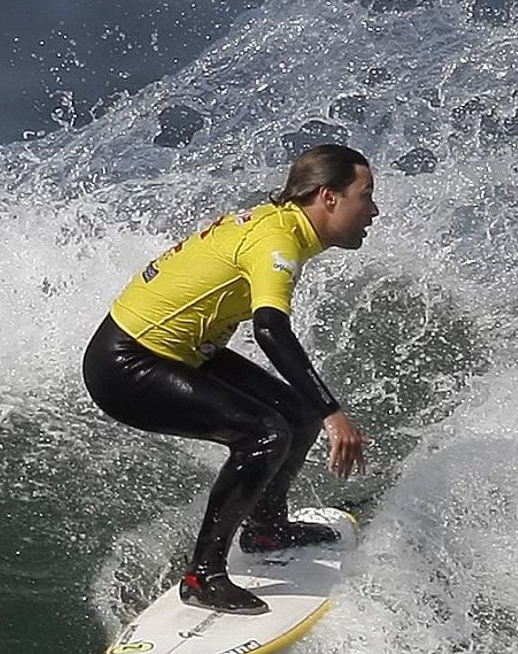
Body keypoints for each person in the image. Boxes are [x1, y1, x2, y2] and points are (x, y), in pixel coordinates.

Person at [83, 144, 378, 615]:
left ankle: (265, 529)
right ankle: (203, 577)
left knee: (295, 416)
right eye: (365, 195)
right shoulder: (277, 242)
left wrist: (317, 412)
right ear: (328, 197)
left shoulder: (279, 225)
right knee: (264, 434)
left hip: (181, 349)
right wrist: (334, 413)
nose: (374, 210)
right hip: (127, 363)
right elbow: (269, 331)